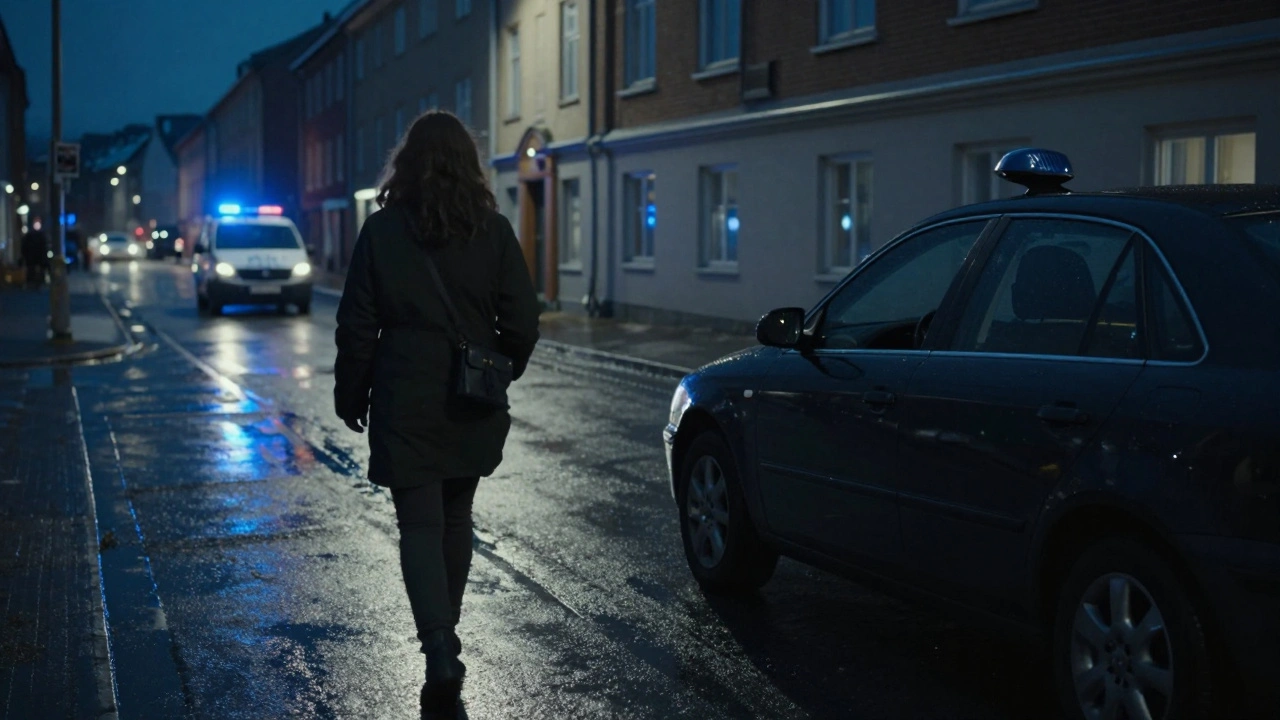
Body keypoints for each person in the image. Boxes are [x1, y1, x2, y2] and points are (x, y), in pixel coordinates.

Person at [333, 110, 540, 719]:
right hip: (471, 400)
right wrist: (499, 369)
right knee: (455, 518)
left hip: (404, 398)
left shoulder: (381, 231)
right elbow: (522, 321)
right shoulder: (493, 231)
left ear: (408, 164)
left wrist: (352, 393)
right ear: (467, 164)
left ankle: (439, 648)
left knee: (419, 526)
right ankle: (446, 635)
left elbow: (357, 325)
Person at [20, 222, 49, 288]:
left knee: (34, 270)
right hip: (33, 257)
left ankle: (35, 282)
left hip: (34, 257)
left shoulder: (34, 236)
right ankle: (34, 282)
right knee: (32, 270)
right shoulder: (32, 236)